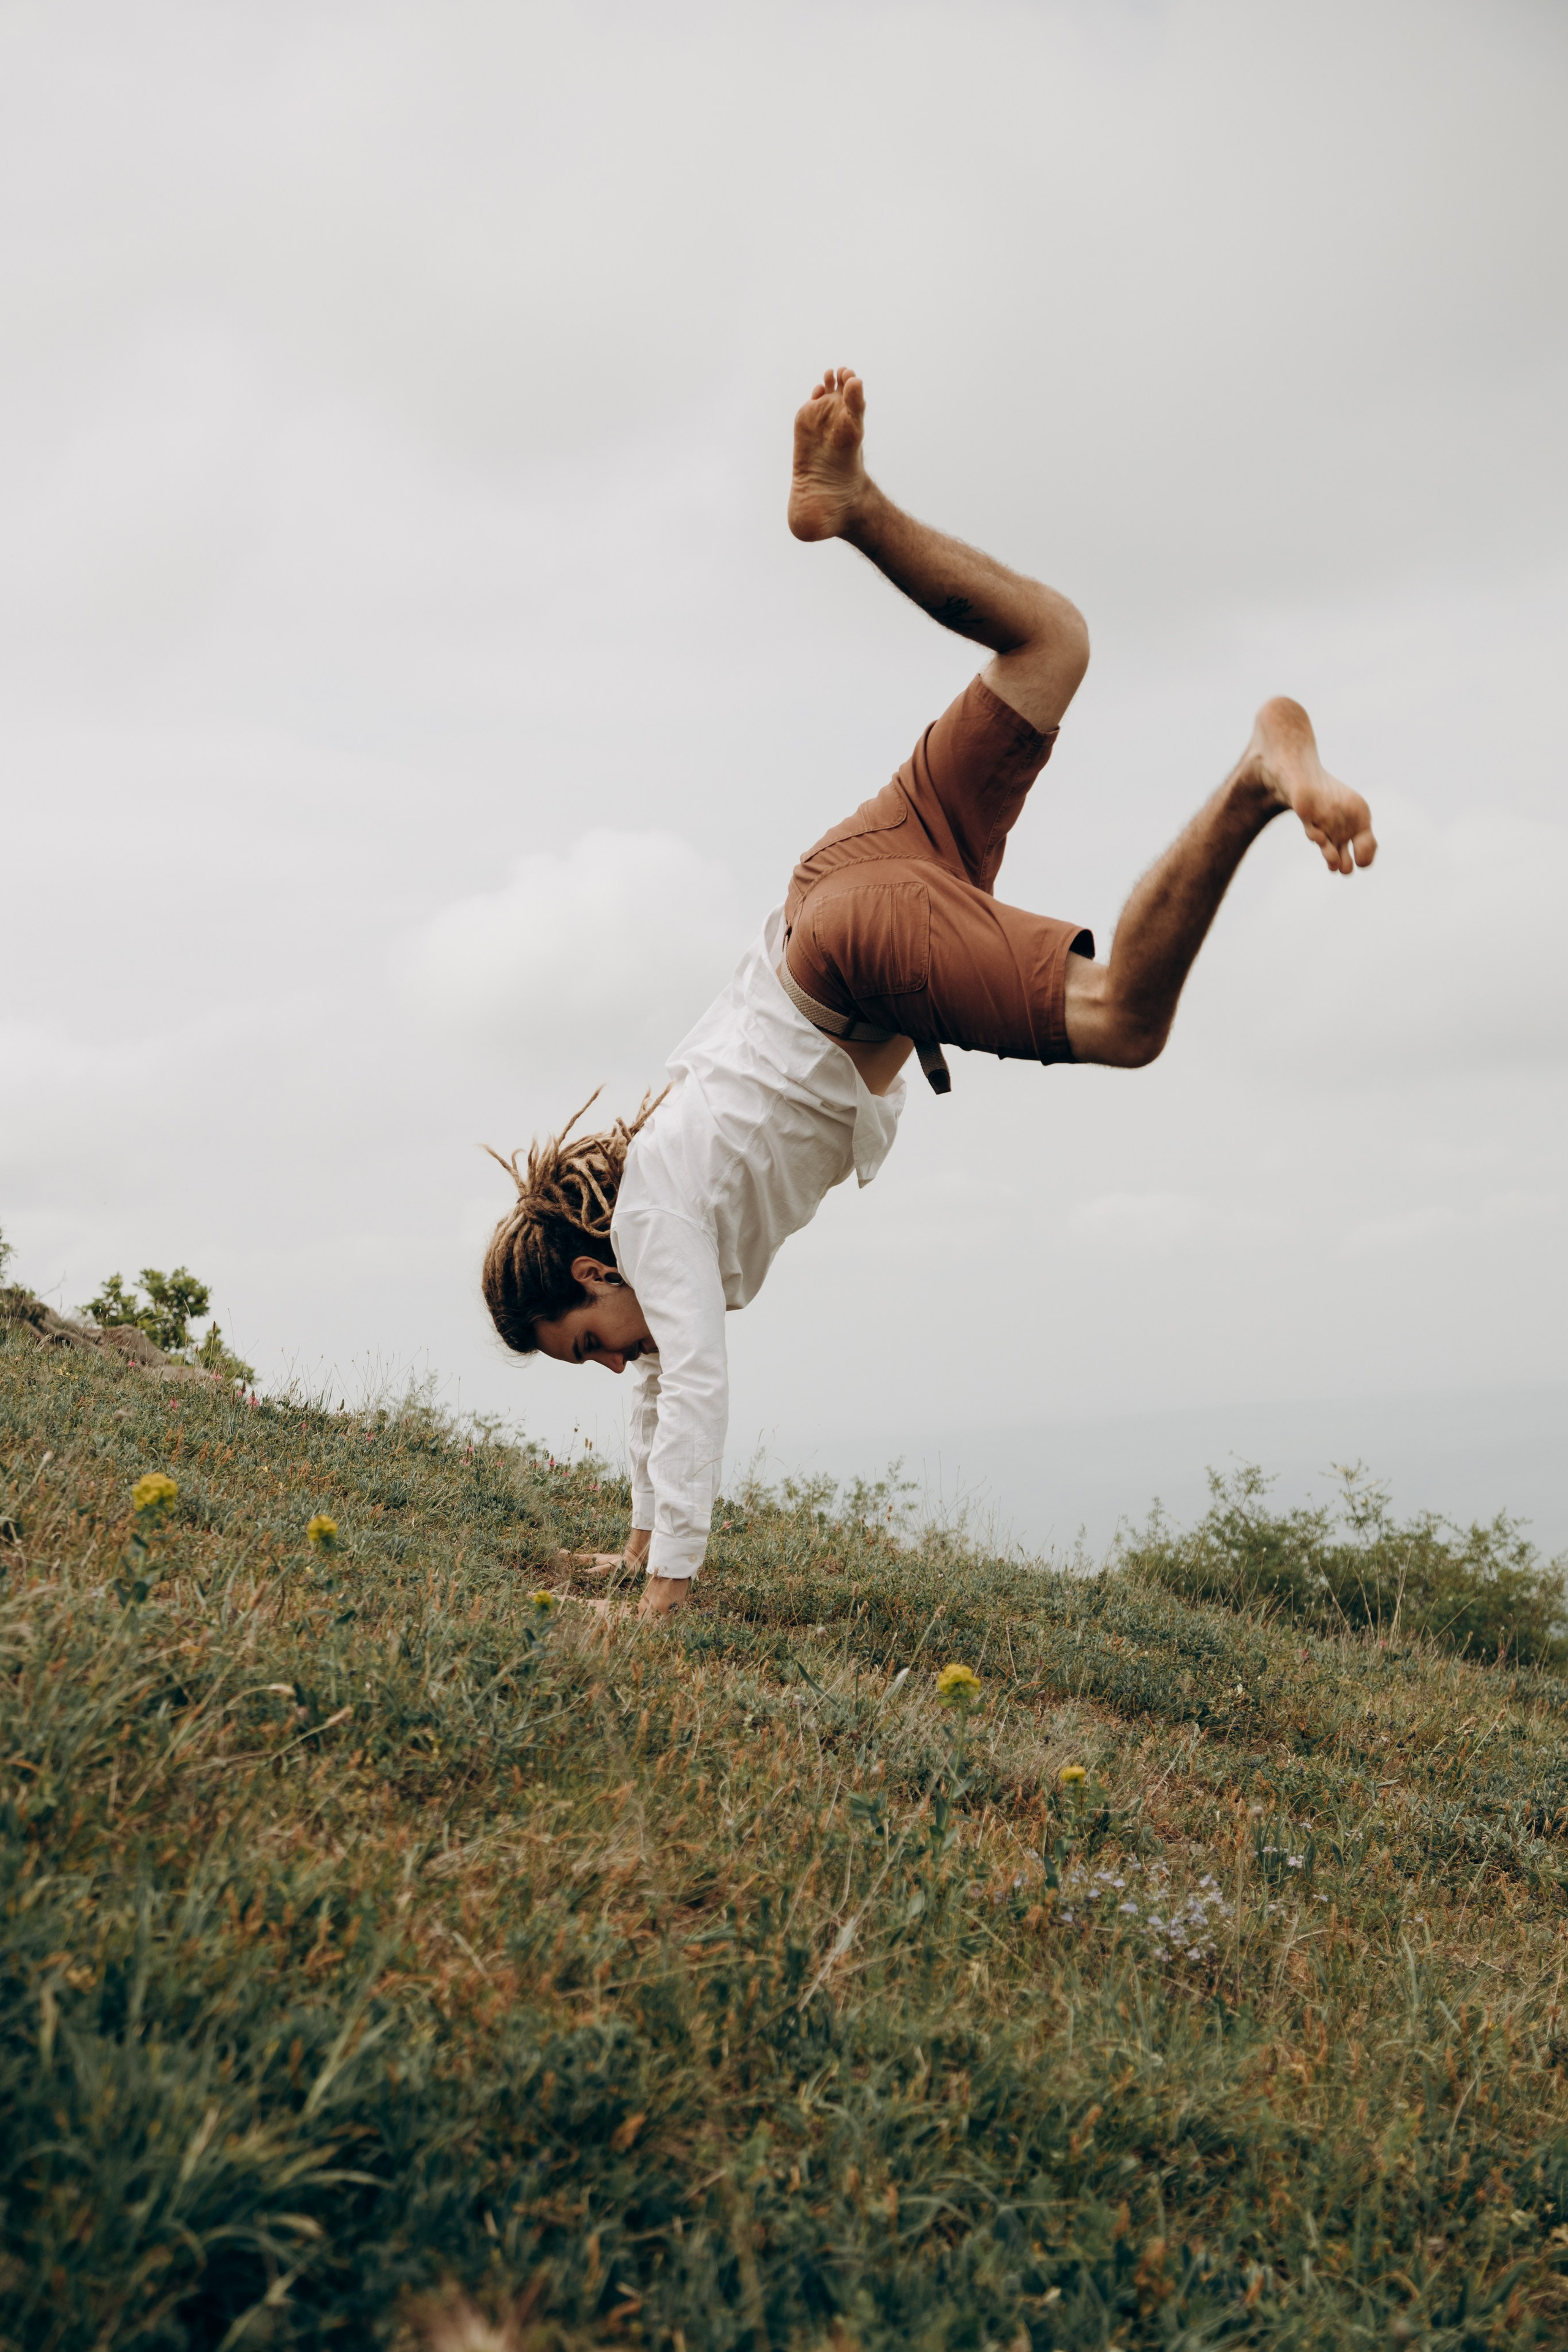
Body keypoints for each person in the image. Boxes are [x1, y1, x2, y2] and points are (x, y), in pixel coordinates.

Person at [482, 367, 1377, 1619]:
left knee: (1119, 1018)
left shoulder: (647, 1224)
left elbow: (689, 1382)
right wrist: (633, 1549)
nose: (611, 1360)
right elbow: (657, 1383)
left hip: (850, 948)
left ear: (585, 1277)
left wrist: (663, 1604)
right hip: (839, 884)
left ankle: (1248, 782)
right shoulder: (660, 1177)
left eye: (587, 1344)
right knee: (1051, 642)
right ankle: (852, 506)